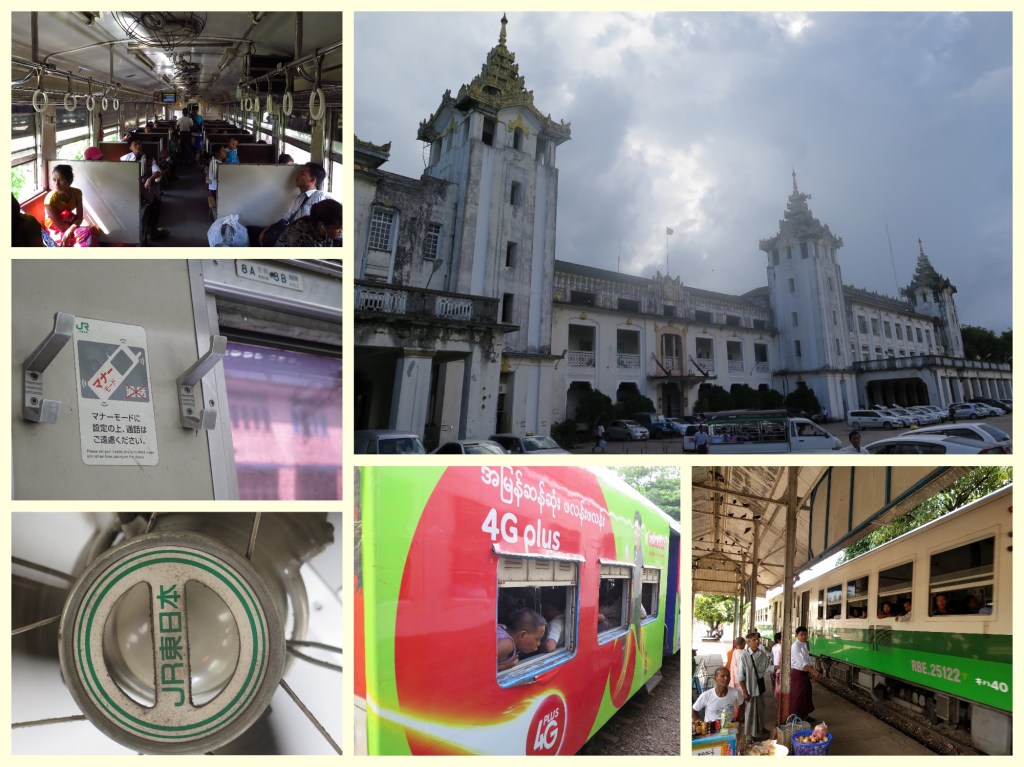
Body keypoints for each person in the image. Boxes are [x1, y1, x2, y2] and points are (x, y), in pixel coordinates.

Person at [247, 162, 332, 246]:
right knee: (248, 230)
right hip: (285, 233)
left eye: (302, 174)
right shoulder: (297, 198)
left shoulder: (320, 196)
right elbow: (285, 220)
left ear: (312, 180)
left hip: (295, 239)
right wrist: (269, 230)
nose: (297, 176)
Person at [121, 138, 168, 241]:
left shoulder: (148, 158)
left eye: (140, 144)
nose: (138, 146)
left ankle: (153, 230)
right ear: (130, 147)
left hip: (143, 187)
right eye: (135, 144)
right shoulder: (125, 158)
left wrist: (150, 179)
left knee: (155, 203)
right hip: (127, 187)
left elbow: (158, 172)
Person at [43, 165, 98, 247]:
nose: (56, 184)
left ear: (69, 180)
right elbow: (60, 226)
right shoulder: (50, 200)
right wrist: (70, 231)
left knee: (88, 232)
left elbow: (79, 218)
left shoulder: (77, 193)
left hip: (69, 221)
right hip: (56, 227)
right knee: (66, 242)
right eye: (54, 180)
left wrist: (70, 231)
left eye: (61, 179)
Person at [737, 631, 771, 740]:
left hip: (760, 688)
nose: (757, 641)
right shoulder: (744, 655)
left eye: (757, 639)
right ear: (748, 642)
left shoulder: (762, 654)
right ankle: (749, 735)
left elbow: (767, 668)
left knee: (761, 709)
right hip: (750, 688)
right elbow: (741, 676)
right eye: (754, 639)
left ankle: (761, 728)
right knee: (750, 712)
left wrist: (776, 667)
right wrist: (744, 691)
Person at [274, 199, 342, 247]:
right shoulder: (304, 240)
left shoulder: (322, 227)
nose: (341, 231)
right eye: (339, 229)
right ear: (322, 226)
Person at [789, 626, 820, 721]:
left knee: (806, 694)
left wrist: (811, 670)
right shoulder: (795, 646)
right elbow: (802, 663)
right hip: (798, 674)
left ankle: (805, 716)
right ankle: (797, 718)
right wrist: (813, 672)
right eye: (801, 635)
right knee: (798, 696)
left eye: (805, 634)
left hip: (804, 673)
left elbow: (807, 659)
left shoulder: (803, 644)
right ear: (796, 635)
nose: (803, 636)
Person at [206, 144, 227, 221]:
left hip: (218, 188)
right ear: (217, 153)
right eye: (223, 151)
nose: (225, 152)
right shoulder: (215, 163)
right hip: (215, 190)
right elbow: (217, 177)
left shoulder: (218, 162)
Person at [771, 630, 783, 697]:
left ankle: (777, 697)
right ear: (779, 640)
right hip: (780, 669)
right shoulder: (781, 648)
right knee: (780, 686)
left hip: (776, 669)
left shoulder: (774, 647)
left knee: (777, 684)